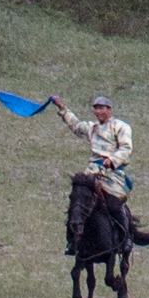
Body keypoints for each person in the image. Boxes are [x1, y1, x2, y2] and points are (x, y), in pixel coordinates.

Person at [50, 95, 134, 253]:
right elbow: (75, 125)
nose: (98, 111)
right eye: (95, 108)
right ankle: (72, 241)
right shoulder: (92, 127)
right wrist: (61, 107)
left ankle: (126, 238)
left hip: (112, 174)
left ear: (109, 110)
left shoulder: (121, 127)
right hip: (92, 172)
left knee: (114, 204)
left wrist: (112, 159)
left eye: (101, 108)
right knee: (77, 201)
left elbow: (125, 148)